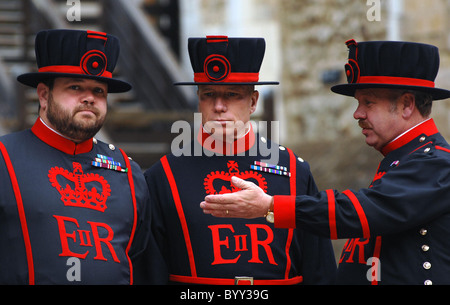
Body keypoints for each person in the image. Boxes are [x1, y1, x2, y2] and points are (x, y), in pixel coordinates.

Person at [201, 39, 450, 285]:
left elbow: (358, 213)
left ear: (407, 104)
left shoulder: (437, 164)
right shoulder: (405, 160)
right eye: (358, 102)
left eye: (369, 102)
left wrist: (271, 206)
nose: (357, 113)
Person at [143, 35, 337, 285]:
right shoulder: (163, 176)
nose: (219, 106)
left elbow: (319, 268)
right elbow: (151, 271)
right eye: (209, 94)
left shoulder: (293, 170)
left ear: (253, 101)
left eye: (232, 94)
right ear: (198, 99)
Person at [0, 29, 166, 284]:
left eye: (99, 91)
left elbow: (141, 262)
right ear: (44, 95)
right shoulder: (4, 158)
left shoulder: (128, 173)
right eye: (75, 87)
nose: (89, 98)